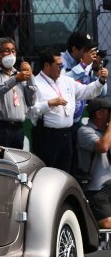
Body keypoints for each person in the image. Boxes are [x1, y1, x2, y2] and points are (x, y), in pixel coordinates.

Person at [30, 48, 107, 173]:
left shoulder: (66, 81)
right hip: (46, 136)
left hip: (66, 135)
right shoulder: (35, 84)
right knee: (46, 173)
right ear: (46, 65)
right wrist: (49, 104)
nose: (61, 68)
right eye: (58, 65)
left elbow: (87, 91)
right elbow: (30, 111)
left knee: (65, 173)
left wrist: (100, 81)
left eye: (62, 65)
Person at [0, 37, 36, 148]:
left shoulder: (18, 74)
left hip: (18, 129)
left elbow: (31, 101)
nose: (11, 54)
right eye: (7, 51)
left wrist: (30, 76)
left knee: (16, 163)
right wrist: (15, 80)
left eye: (13, 51)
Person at [76, 97, 111, 228]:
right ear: (99, 113)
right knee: (107, 223)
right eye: (109, 111)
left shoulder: (107, 132)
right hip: (96, 188)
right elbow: (103, 147)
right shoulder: (84, 131)